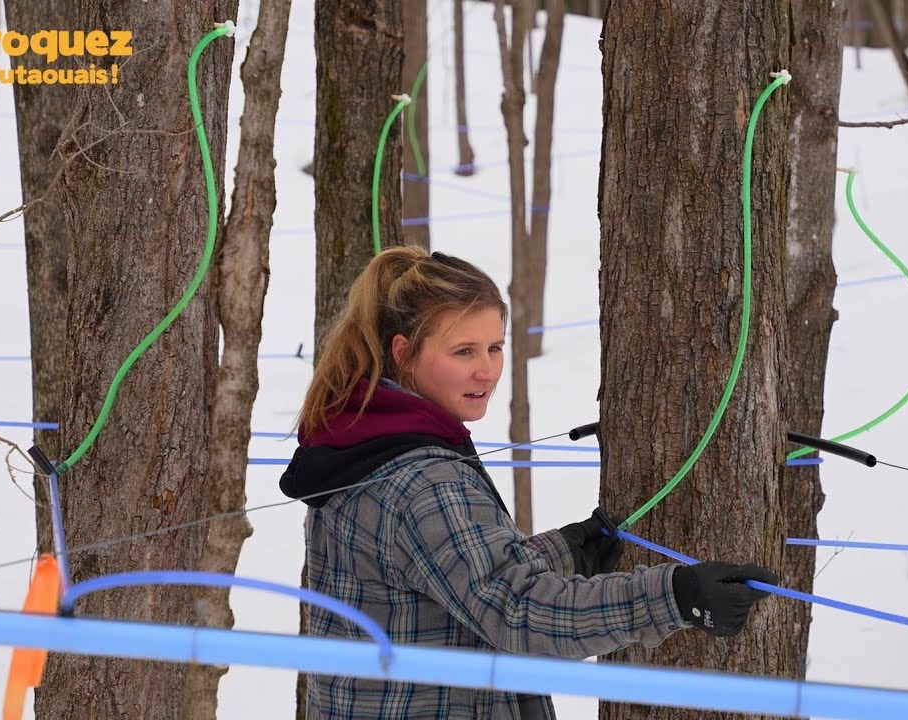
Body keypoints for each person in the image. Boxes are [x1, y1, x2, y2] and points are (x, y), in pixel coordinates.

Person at [281, 246, 779, 719]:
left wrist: (560, 552)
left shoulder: (361, 439)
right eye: (463, 351)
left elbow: (442, 574)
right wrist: (675, 596)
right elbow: (516, 614)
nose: (487, 371)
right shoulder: (424, 481)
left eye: (495, 347)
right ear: (404, 353)